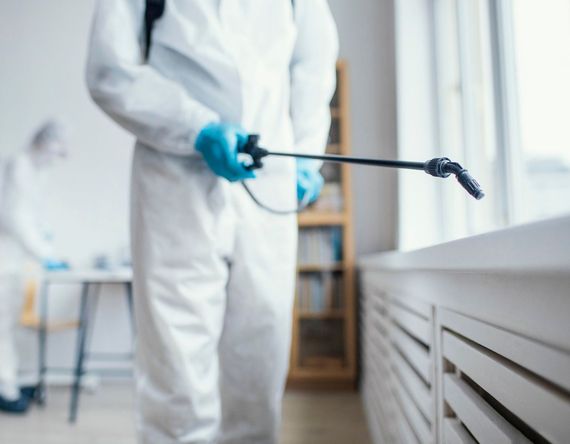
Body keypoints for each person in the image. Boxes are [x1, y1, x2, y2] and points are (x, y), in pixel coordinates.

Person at [86, 1, 338, 442]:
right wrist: (196, 128)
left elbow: (313, 65)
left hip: (269, 182)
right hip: (173, 181)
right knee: (175, 364)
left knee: (260, 355)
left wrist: (305, 154)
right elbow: (110, 70)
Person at [0, 120, 68, 414]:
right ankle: (6, 389)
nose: (54, 159)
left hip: (16, 262)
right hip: (4, 261)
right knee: (1, 328)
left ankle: (11, 382)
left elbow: (32, 217)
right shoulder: (19, 166)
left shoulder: (35, 172)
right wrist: (44, 253)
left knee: (10, 327)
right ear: (42, 142)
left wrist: (45, 242)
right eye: (54, 151)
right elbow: (14, 217)